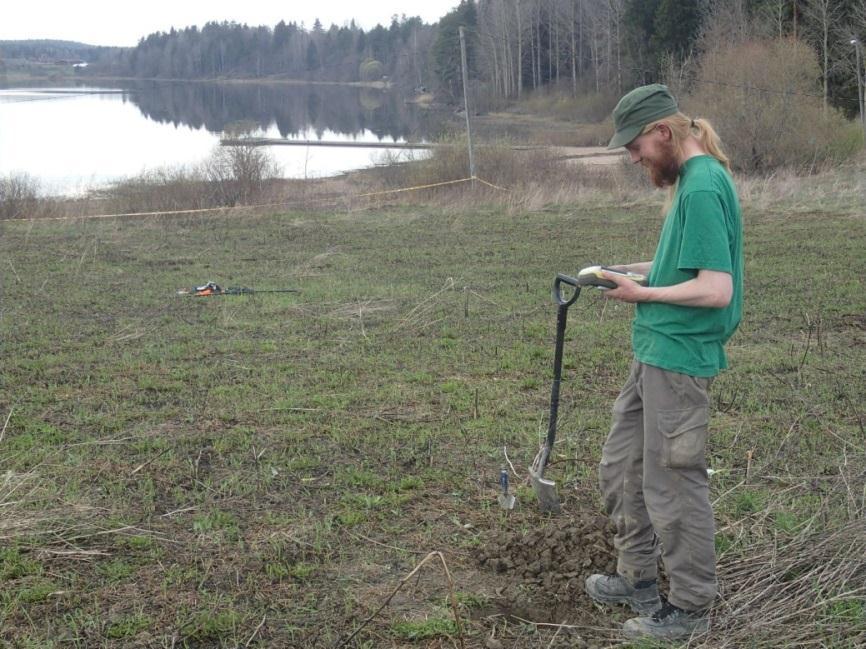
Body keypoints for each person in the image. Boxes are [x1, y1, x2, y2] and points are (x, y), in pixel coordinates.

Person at [583, 84, 743, 641]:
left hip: (679, 358)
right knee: (623, 466)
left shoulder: (701, 187)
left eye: (635, 146)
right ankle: (636, 578)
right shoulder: (690, 184)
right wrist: (629, 271)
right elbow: (685, 264)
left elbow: (715, 288)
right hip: (654, 350)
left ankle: (692, 606)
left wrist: (642, 295)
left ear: (663, 133)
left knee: (673, 482)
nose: (633, 158)